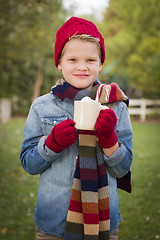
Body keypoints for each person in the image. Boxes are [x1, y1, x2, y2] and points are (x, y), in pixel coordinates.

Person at [20, 17, 133, 240]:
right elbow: (29, 164)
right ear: (60, 63)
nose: (82, 66)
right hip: (53, 225)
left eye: (90, 60)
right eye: (72, 59)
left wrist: (109, 139)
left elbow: (122, 169)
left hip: (103, 222)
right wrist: (51, 144)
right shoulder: (42, 106)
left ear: (100, 64)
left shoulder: (116, 106)